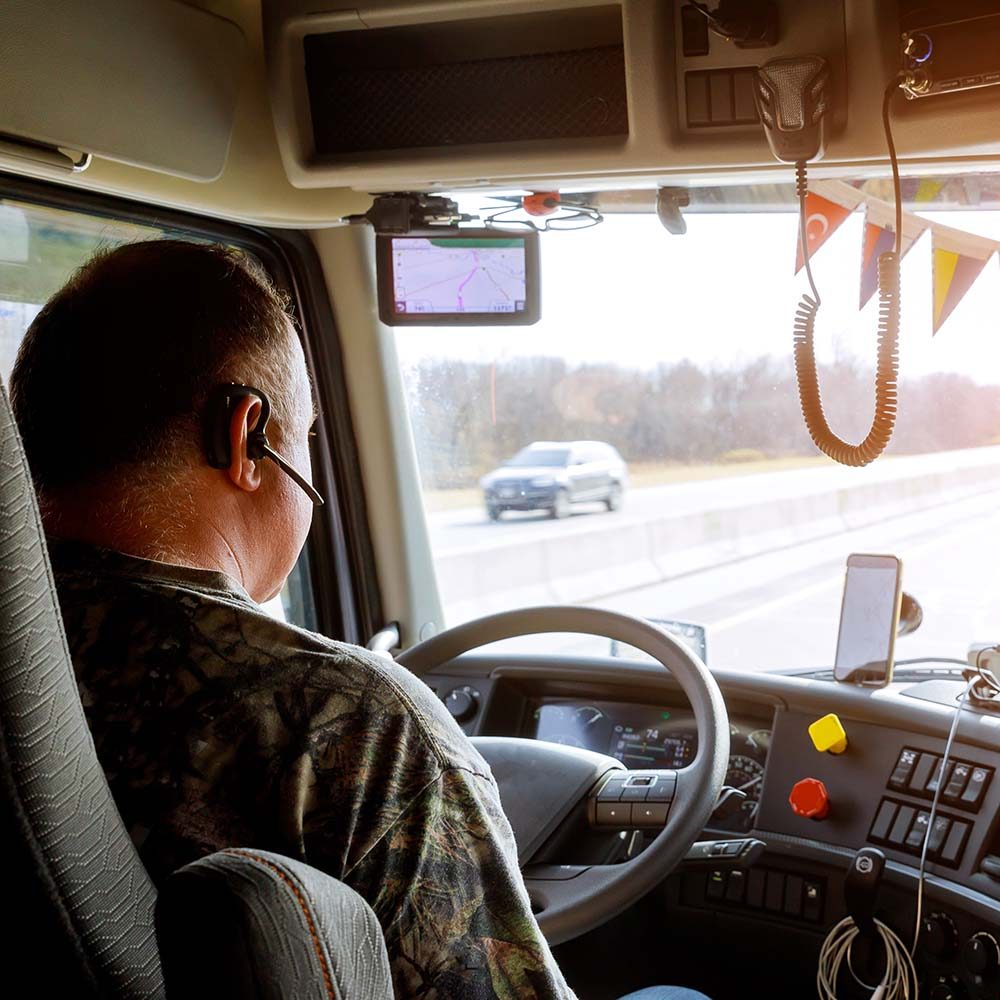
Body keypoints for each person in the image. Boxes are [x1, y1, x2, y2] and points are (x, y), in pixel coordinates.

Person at [9, 240, 709, 1000]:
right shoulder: (351, 724)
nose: (307, 471)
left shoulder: (26, 673)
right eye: (305, 439)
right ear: (246, 435)